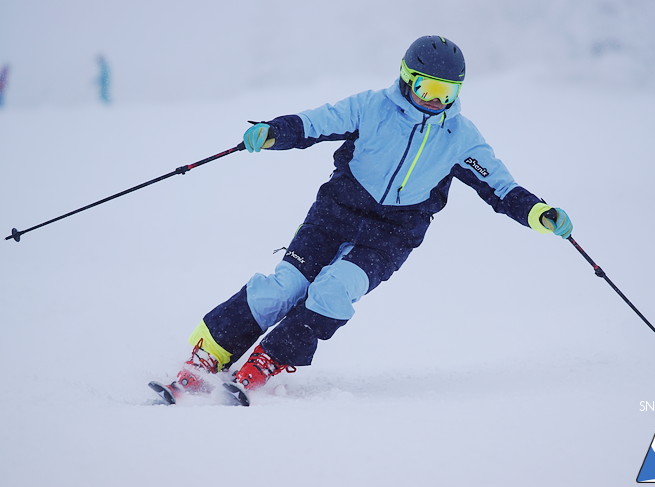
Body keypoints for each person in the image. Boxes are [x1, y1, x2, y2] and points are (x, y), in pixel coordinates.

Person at [163, 35, 573, 399]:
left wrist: (538, 212)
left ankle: (269, 359)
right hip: (336, 213)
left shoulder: (461, 137)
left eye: (447, 93)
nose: (436, 100)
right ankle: (209, 354)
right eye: (428, 88)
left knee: (334, 291)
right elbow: (315, 123)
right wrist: (274, 131)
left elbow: (500, 187)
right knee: (285, 286)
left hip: (393, 234)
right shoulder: (372, 107)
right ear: (407, 78)